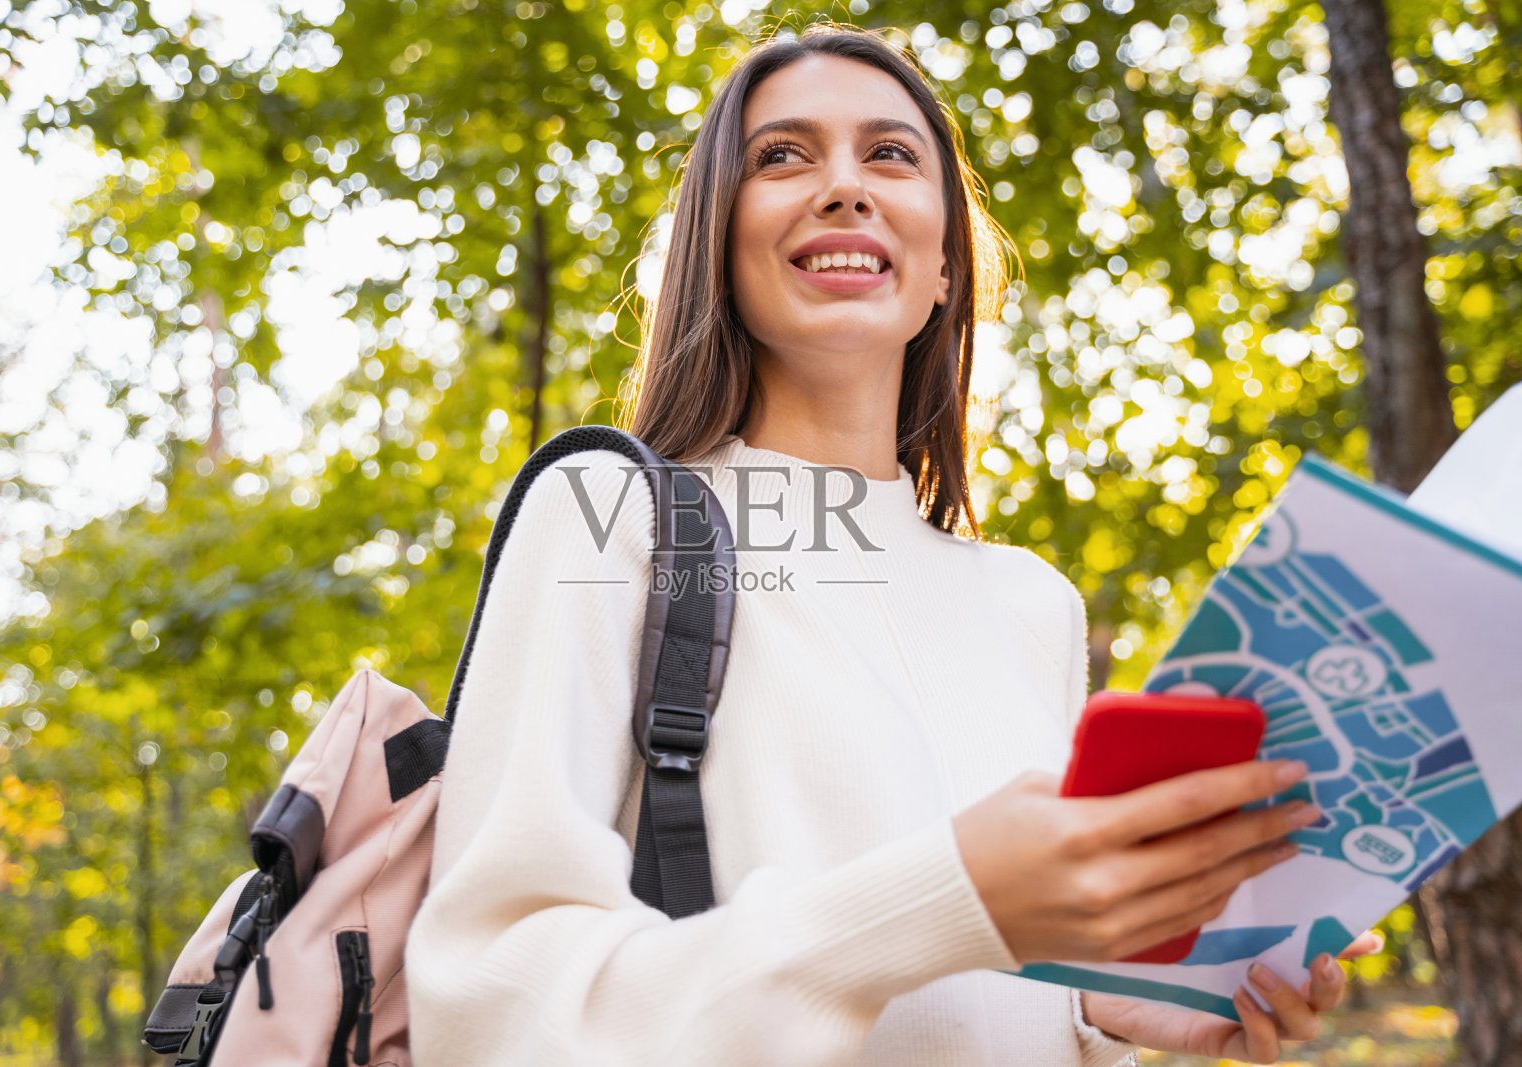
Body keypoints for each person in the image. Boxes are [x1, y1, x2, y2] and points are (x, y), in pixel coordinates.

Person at [405, 24, 1378, 1065]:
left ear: (948, 264)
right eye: (781, 155)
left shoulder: (1029, 601)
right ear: (717, 242)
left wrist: (1111, 1012)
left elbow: (978, 985)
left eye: (890, 154)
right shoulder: (608, 512)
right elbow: (493, 1009)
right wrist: (946, 894)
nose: (841, 187)